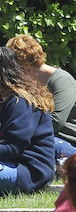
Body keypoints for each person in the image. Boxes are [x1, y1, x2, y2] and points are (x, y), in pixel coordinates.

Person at [0, 47, 55, 194]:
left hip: (29, 172)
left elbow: (14, 147)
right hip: (11, 164)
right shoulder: (1, 102)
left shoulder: (20, 102)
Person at [6, 34, 76, 163]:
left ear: (26, 65)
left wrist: (20, 131)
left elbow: (56, 122)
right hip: (47, 139)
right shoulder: (29, 83)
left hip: (67, 144)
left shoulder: (62, 81)